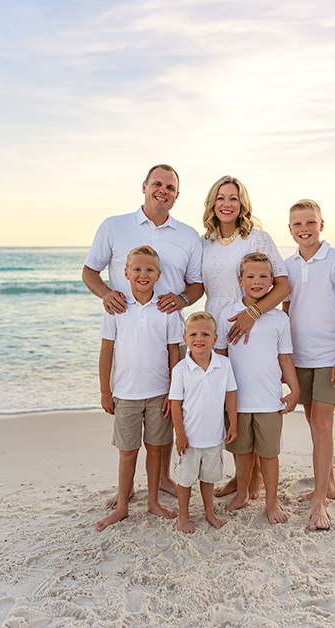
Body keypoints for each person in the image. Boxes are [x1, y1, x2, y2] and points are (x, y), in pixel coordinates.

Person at [83, 164, 203, 501]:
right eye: (157, 184)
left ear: (177, 196)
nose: (162, 191)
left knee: (161, 419)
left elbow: (196, 286)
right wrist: (106, 294)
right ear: (145, 186)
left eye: (170, 187)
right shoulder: (114, 226)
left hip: (166, 329)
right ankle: (131, 491)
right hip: (128, 321)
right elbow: (90, 271)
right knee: (132, 428)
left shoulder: (188, 235)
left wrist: (180, 299)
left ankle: (161, 481)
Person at [201, 175, 290, 499]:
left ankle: (253, 482)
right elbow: (199, 285)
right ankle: (241, 478)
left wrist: (253, 314)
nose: (227, 204)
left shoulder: (257, 238)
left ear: (242, 204)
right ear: (213, 203)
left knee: (254, 400)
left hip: (252, 325)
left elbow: (282, 285)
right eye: (221, 198)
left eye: (233, 198)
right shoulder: (205, 241)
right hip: (219, 329)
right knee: (230, 404)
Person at [95, 246, 183, 531]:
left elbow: (174, 353)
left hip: (159, 393)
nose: (142, 275)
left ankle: (153, 501)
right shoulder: (116, 308)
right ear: (125, 273)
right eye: (137, 269)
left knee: (156, 448)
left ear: (158, 275)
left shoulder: (166, 309)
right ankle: (122, 505)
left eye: (149, 270)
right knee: (127, 451)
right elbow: (106, 350)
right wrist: (105, 392)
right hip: (125, 394)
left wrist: (174, 392)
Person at [282, 199, 335, 531]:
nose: (304, 229)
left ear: (321, 225)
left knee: (322, 426)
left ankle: (320, 501)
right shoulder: (288, 265)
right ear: (290, 229)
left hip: (328, 358)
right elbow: (284, 312)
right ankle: (330, 485)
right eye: (297, 224)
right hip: (299, 357)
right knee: (313, 421)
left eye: (310, 222)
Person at [215, 253, 300, 524]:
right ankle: (241, 492)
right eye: (250, 276)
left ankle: (271, 501)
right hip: (237, 400)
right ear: (240, 280)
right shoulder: (227, 313)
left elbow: (285, 357)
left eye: (263, 276)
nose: (257, 281)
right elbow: (221, 356)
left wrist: (295, 391)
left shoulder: (278, 319)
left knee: (268, 453)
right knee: (241, 451)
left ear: (272, 281)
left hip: (268, 400)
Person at [169, 312, 237, 534]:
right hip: (188, 439)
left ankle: (209, 513)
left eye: (205, 334)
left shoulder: (224, 364)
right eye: (193, 334)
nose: (199, 338)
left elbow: (230, 395)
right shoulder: (180, 369)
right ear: (185, 339)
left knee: (208, 479)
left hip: (213, 437)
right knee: (185, 480)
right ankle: (184, 516)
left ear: (215, 339)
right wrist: (180, 434)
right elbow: (175, 404)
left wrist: (233, 424)